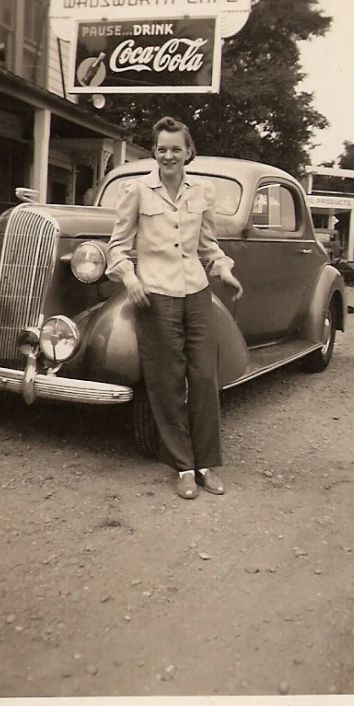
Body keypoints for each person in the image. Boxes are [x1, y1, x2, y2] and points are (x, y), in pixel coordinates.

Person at [106, 116, 243, 500]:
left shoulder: (203, 192)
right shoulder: (137, 191)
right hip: (156, 294)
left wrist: (224, 270)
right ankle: (183, 466)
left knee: (203, 378)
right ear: (154, 152)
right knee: (167, 383)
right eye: (162, 149)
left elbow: (209, 246)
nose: (169, 155)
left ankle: (207, 464)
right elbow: (116, 248)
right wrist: (130, 280)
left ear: (189, 152)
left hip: (196, 292)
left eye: (176, 149)